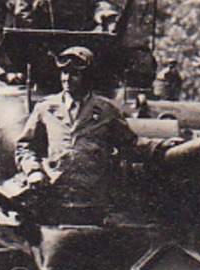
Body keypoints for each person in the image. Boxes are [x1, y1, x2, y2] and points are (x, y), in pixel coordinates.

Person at [13, 46, 139, 221]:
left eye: (74, 74)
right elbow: (25, 147)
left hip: (93, 203)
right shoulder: (46, 108)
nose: (66, 79)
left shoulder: (106, 111)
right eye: (64, 72)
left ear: (89, 78)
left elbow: (131, 145)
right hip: (53, 200)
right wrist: (33, 171)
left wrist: (164, 146)